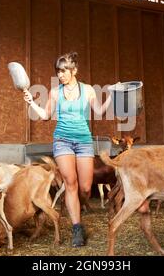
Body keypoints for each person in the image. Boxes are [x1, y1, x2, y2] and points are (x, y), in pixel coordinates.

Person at [23, 52, 111, 247]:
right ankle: (77, 227)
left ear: (74, 70)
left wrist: (113, 96)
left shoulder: (88, 90)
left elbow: (100, 112)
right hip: (62, 141)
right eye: (58, 71)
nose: (60, 75)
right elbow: (45, 116)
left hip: (84, 142)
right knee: (70, 183)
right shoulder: (55, 92)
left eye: (63, 71)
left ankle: (77, 208)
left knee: (86, 188)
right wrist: (32, 103)